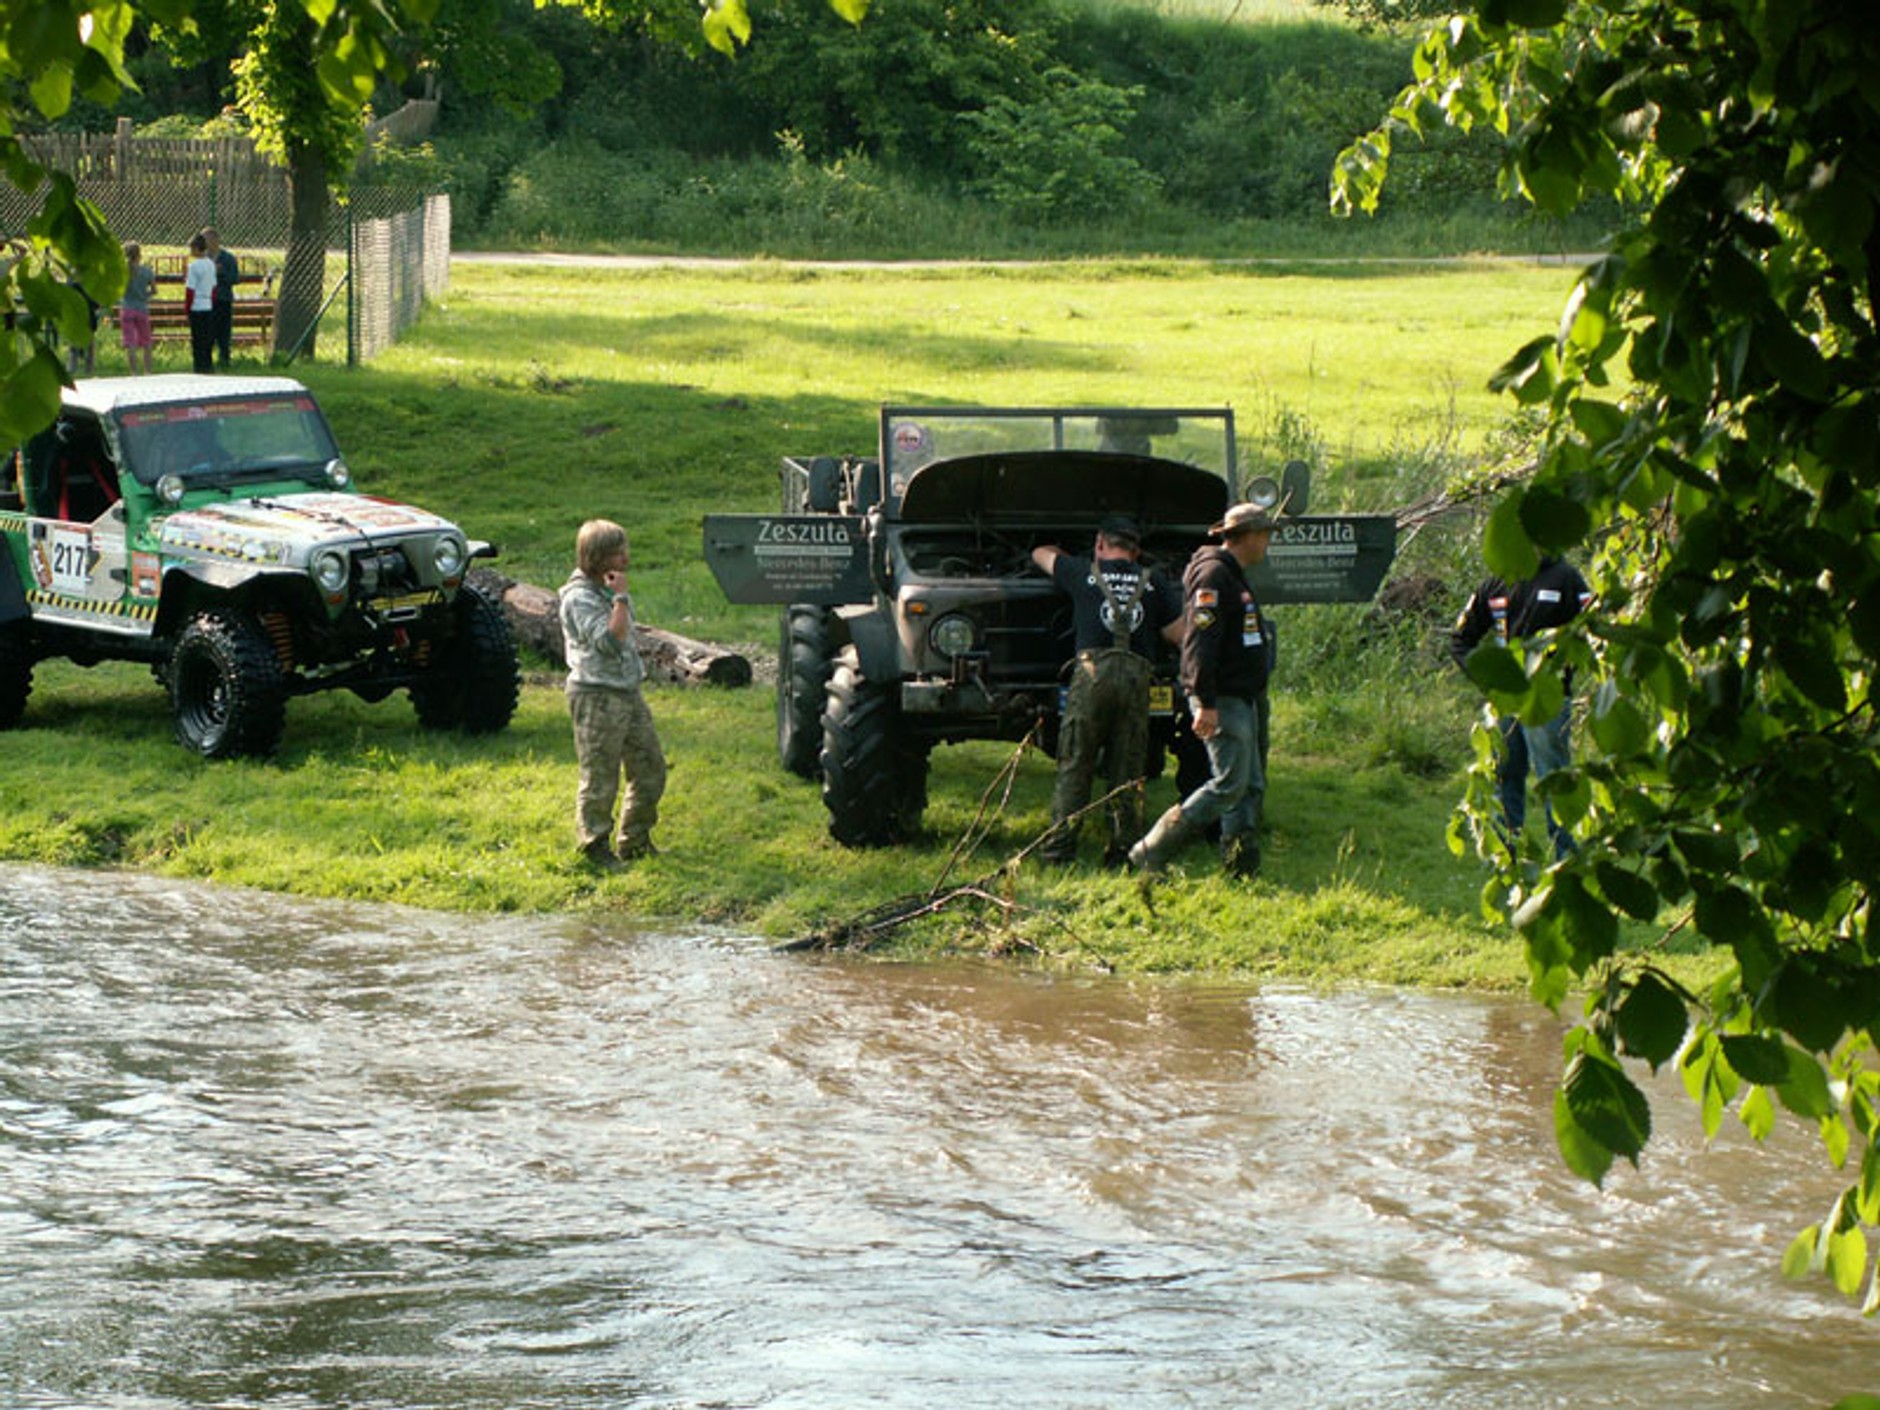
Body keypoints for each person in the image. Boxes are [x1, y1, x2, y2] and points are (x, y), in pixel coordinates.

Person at [1130, 501, 1279, 878]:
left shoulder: (1232, 572)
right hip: (1222, 697)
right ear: (1248, 537)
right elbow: (1199, 641)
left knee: (1249, 784)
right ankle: (1152, 849)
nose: (1267, 544)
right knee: (1229, 783)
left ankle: (1240, 866)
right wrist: (1204, 702)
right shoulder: (1214, 575)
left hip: (1241, 694)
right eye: (1264, 536)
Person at [1031, 513, 1185, 866]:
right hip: (1136, 679)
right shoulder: (1154, 581)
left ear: (1101, 544)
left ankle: (1058, 852)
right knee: (1127, 769)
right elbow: (1178, 635)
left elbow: (1039, 553)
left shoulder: (1080, 573)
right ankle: (1122, 853)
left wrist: (1073, 556)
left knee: (1076, 764)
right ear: (1137, 551)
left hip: (1091, 678)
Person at [1449, 556, 1593, 860]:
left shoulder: (1565, 576)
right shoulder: (1496, 582)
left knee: (1554, 779)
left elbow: (1595, 626)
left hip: (1549, 701)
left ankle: (1566, 862)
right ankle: (1507, 861)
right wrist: (1489, 681)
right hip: (1504, 702)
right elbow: (1461, 640)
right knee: (1504, 778)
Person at [558, 519, 667, 869]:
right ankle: (593, 847)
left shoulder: (607, 589)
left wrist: (617, 596)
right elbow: (609, 641)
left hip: (627, 692)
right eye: (618, 552)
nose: (626, 557)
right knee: (601, 776)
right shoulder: (579, 598)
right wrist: (620, 598)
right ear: (598, 556)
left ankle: (634, 841)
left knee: (650, 768)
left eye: (624, 550)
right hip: (596, 696)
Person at [202, 227, 240, 370]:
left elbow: (235, 279)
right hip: (206, 300)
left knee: (224, 331)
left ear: (215, 240)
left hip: (223, 299)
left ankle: (224, 359)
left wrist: (220, 273)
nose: (205, 243)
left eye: (207, 239)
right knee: (207, 331)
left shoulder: (228, 258)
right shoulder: (202, 259)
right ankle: (207, 361)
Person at [118, 242, 156, 375]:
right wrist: (145, 295)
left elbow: (119, 290)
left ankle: (133, 372)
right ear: (139, 255)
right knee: (146, 341)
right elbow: (154, 290)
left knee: (130, 342)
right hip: (142, 308)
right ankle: (148, 371)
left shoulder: (123, 272)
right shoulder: (146, 272)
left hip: (127, 307)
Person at [183, 233, 217, 375]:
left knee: (197, 339)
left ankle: (199, 367)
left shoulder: (193, 267)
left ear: (196, 248)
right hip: (208, 304)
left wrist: (187, 308)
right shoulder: (211, 264)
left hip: (196, 306)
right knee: (207, 339)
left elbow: (190, 290)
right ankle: (208, 366)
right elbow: (214, 287)